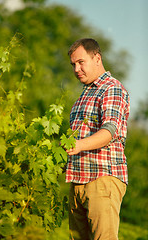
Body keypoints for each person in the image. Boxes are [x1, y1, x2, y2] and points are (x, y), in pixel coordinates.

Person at [65, 38, 130, 240]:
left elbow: (110, 131)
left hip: (102, 180)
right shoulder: (82, 98)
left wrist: (78, 145)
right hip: (77, 182)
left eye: (81, 62)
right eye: (73, 64)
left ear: (97, 58)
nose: (76, 69)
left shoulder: (112, 88)